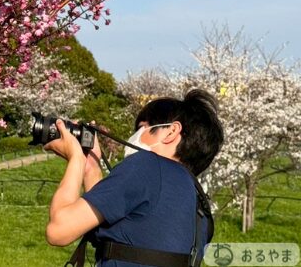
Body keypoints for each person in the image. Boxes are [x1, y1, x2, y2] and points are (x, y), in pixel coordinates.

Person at [43, 89, 224, 267]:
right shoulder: (198, 203)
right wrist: (91, 166)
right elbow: (113, 237)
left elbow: (59, 230)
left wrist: (75, 158)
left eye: (142, 127)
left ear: (171, 132)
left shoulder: (147, 165)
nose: (135, 136)